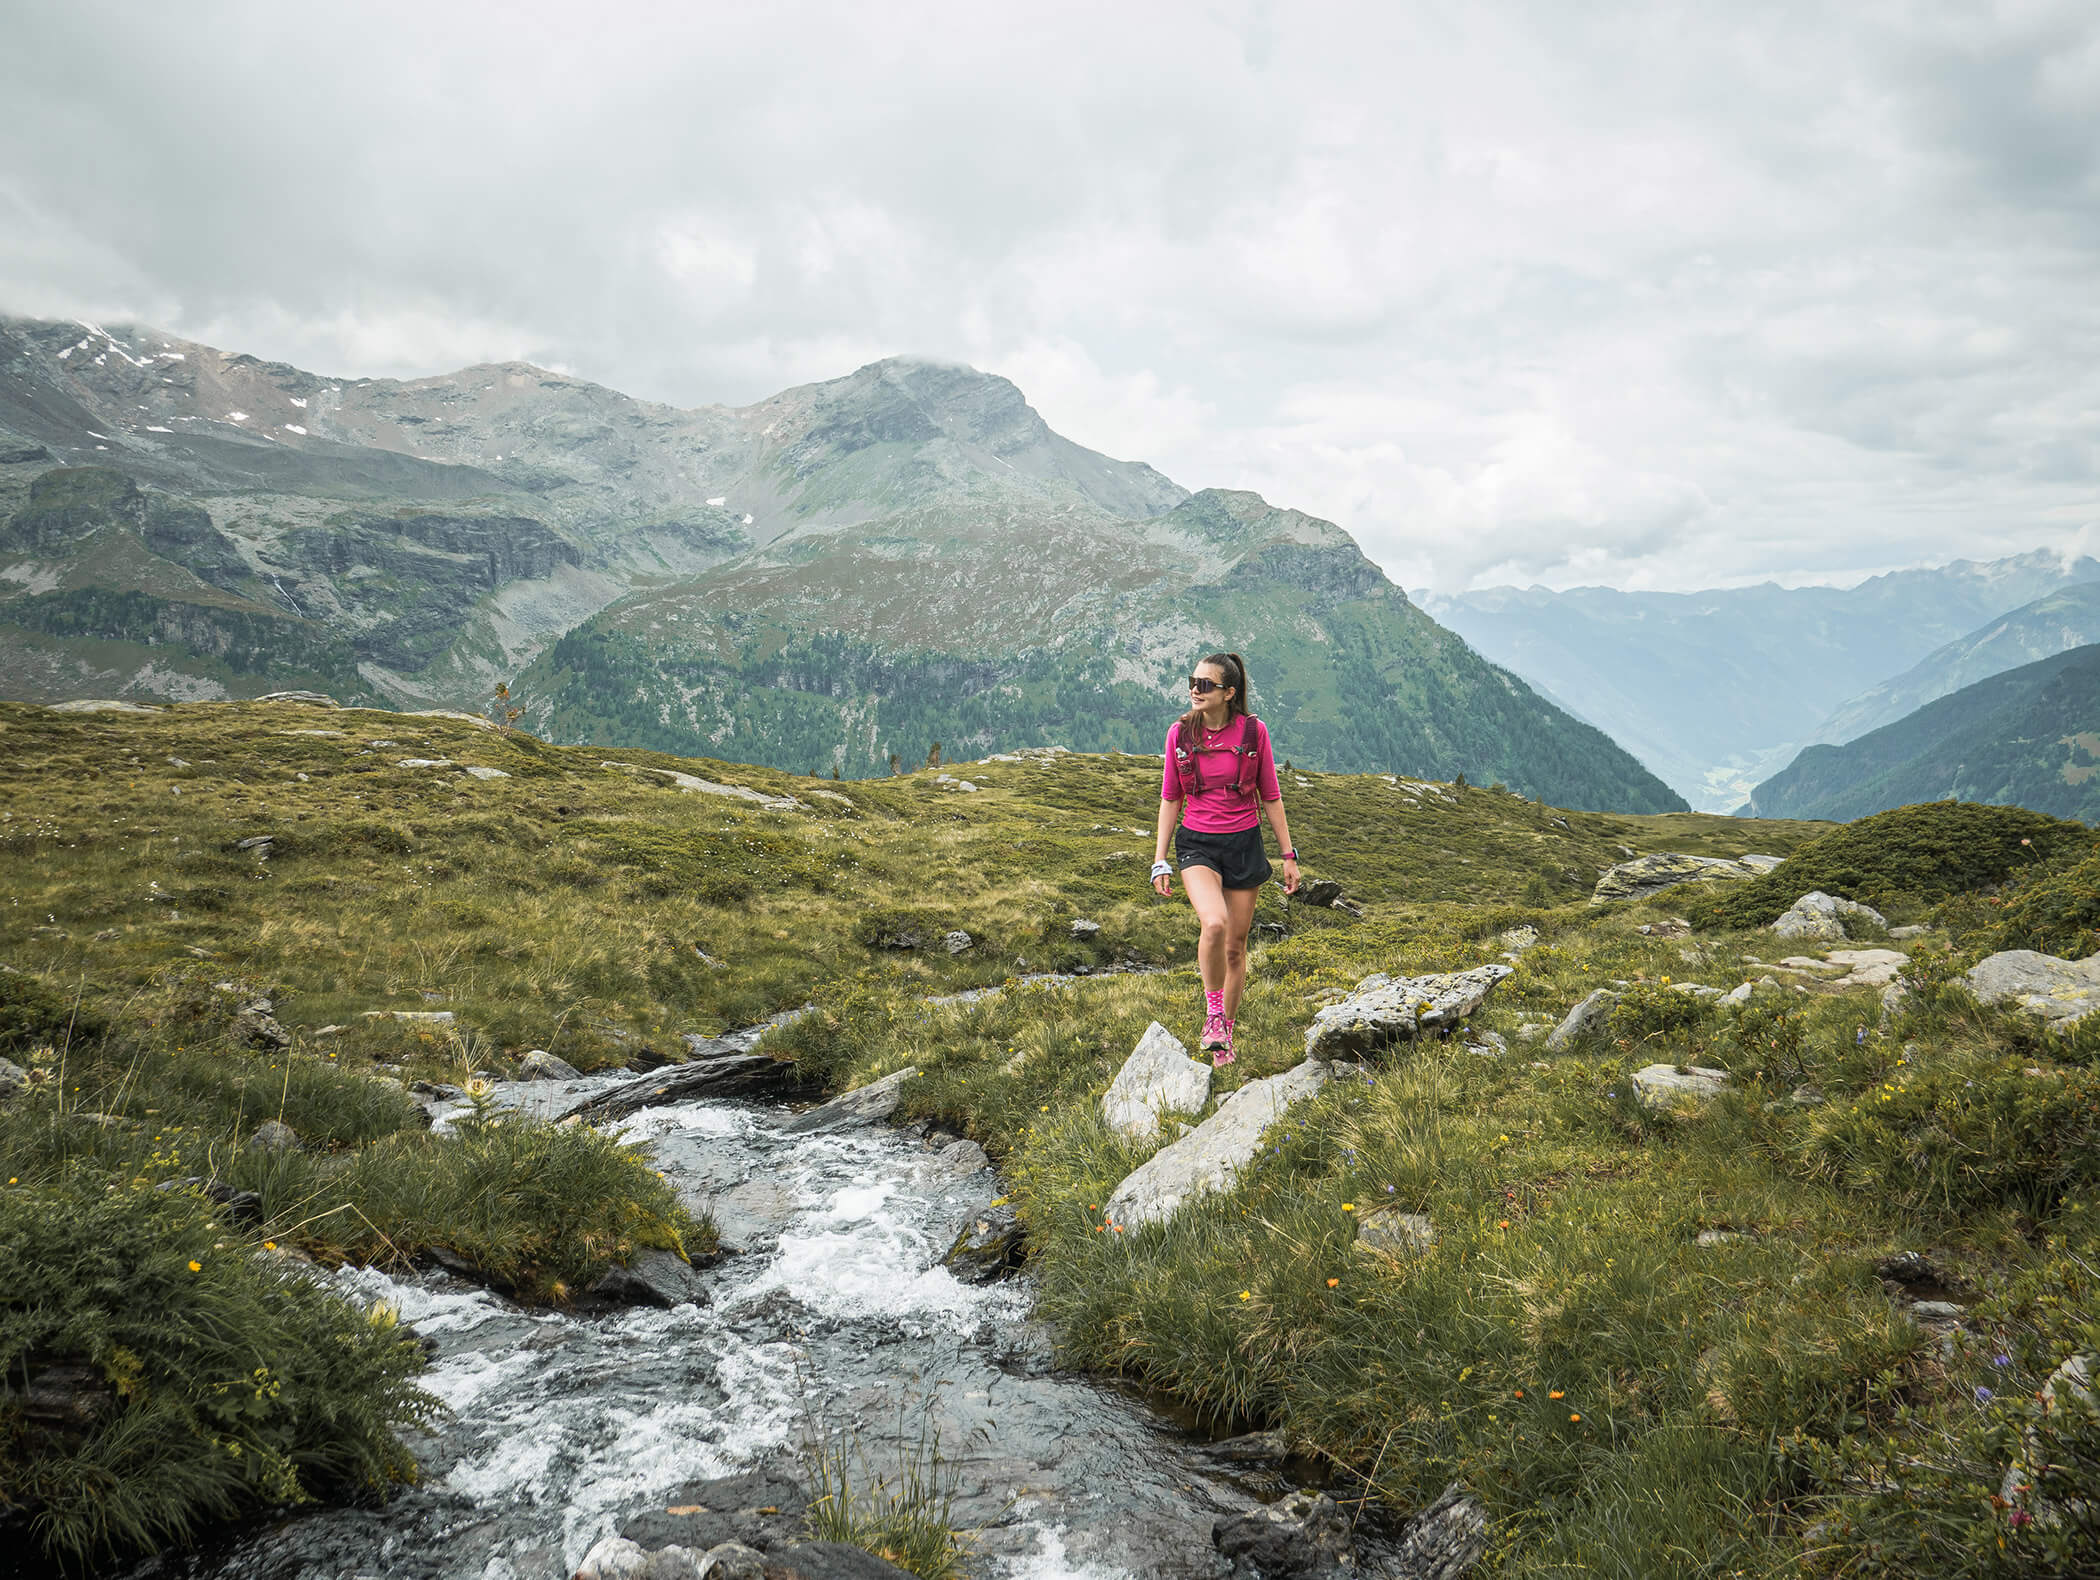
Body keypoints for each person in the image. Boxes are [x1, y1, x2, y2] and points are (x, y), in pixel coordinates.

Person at [1150, 652, 1299, 1065]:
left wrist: (1288, 855)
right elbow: (1170, 797)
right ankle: (1213, 1015)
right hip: (1197, 843)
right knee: (1213, 923)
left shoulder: (1254, 733)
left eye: (1205, 685)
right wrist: (1159, 859)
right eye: (1192, 682)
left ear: (1229, 693)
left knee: (1235, 948)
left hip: (1244, 843)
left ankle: (1225, 1039)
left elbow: (1270, 794)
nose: (1195, 690)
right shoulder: (1178, 734)